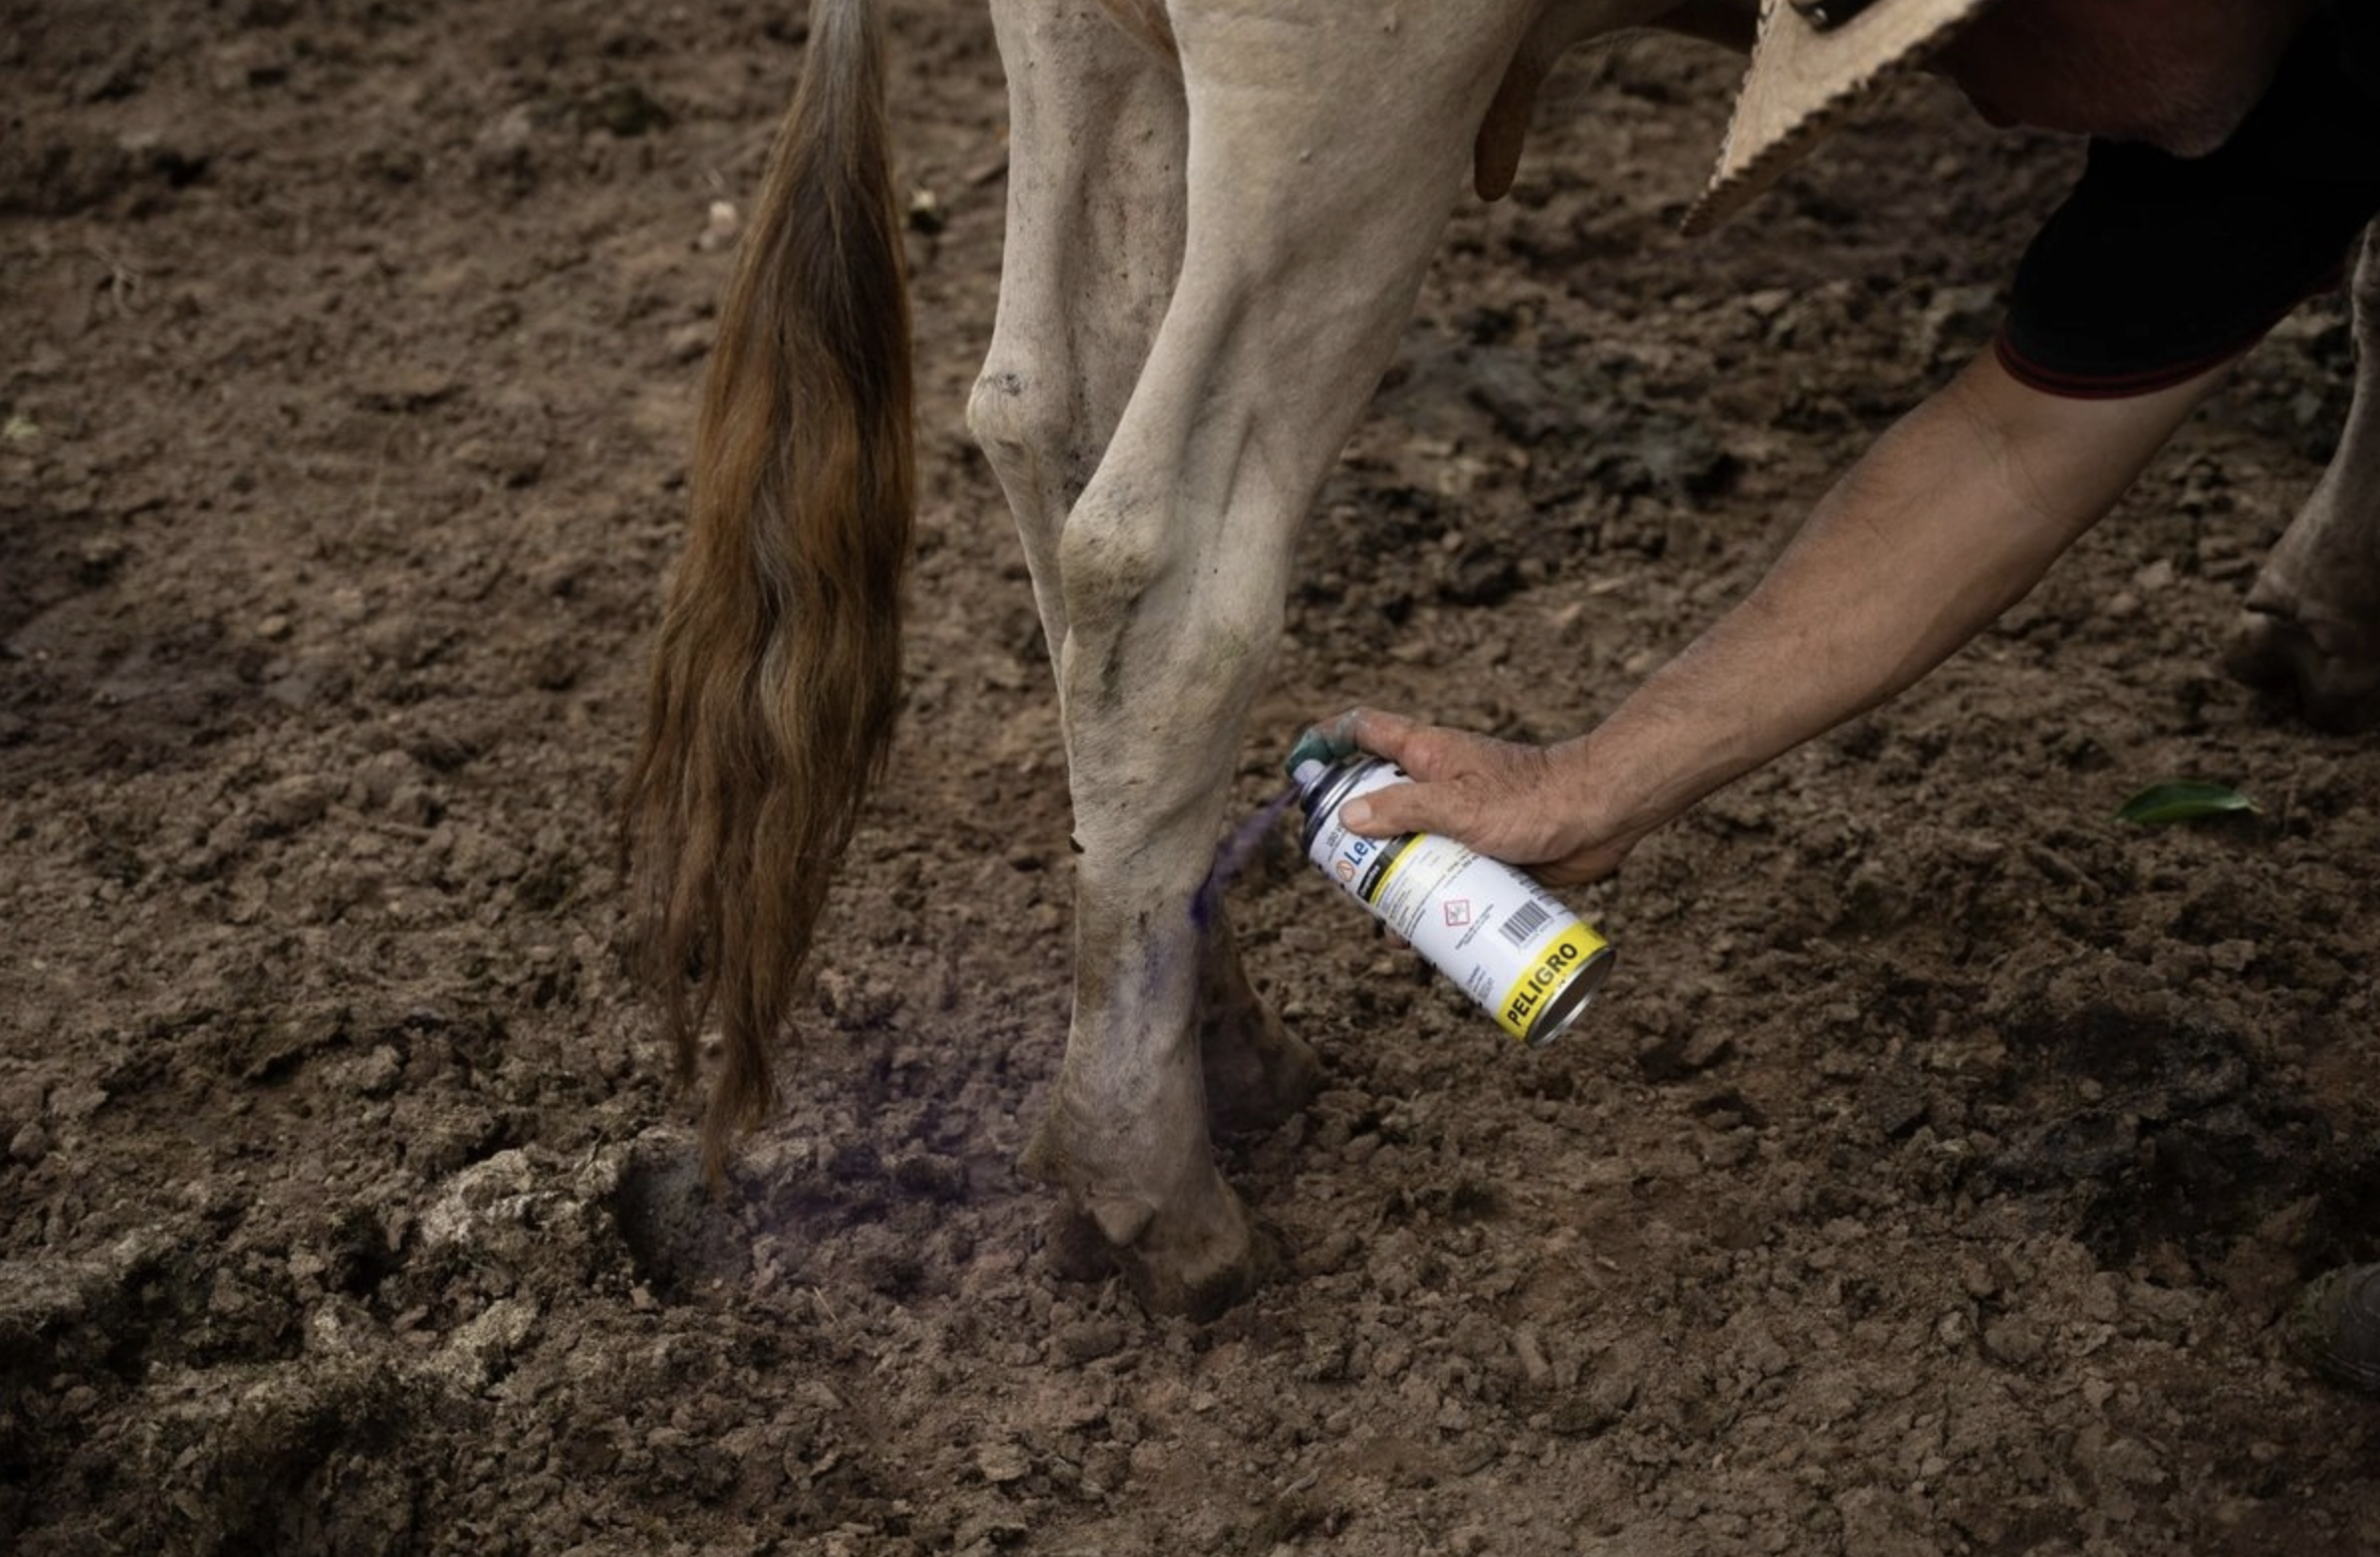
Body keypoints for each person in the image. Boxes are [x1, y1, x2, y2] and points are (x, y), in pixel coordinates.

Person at [1299, 0, 2380, 1393]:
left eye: (1991, 29)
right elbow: (2008, 448)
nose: (1974, 102)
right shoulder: (2251, 118)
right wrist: (1593, 777)